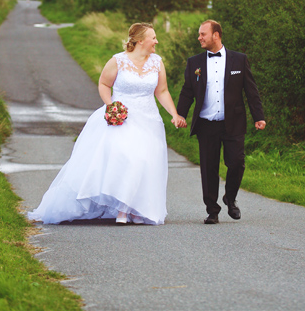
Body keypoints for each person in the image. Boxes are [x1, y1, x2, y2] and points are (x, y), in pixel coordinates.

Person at [29, 23, 187, 225]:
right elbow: (104, 84)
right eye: (153, 37)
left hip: (149, 119)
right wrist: (111, 106)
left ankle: (135, 209)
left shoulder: (157, 62)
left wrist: (174, 114)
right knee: (128, 159)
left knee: (145, 162)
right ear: (140, 41)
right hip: (122, 118)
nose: (156, 41)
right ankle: (121, 209)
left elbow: (162, 91)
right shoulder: (118, 61)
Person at [176, 20, 266, 224]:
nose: (199, 38)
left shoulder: (239, 60)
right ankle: (212, 210)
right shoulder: (194, 62)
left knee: (237, 163)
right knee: (209, 168)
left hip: (233, 122)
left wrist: (258, 116)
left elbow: (251, 90)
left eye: (203, 34)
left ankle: (230, 198)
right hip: (206, 123)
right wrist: (180, 114)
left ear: (216, 35)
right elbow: (187, 91)